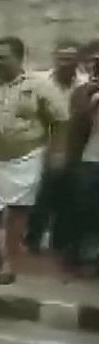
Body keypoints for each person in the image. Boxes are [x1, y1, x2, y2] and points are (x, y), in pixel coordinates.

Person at [0, 36, 69, 285]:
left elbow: (60, 121)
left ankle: (9, 261)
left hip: (24, 159)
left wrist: (59, 154)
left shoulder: (40, 86)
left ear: (19, 58)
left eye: (2, 57)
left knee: (15, 212)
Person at [26, 40, 88, 254]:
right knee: (38, 197)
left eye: (70, 58)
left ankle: (59, 245)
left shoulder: (85, 84)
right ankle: (31, 241)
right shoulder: (39, 81)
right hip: (42, 146)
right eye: (61, 58)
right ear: (54, 57)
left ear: (77, 61)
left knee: (67, 198)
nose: (65, 63)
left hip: (74, 149)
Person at [65, 41, 99, 277]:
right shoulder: (84, 92)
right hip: (90, 159)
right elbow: (77, 121)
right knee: (83, 211)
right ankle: (77, 258)